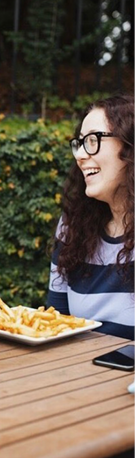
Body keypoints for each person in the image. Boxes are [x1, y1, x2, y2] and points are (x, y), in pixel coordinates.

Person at [47, 94, 134, 340]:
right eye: (80, 143)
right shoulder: (73, 225)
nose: (81, 155)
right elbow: (56, 321)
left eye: (93, 140)